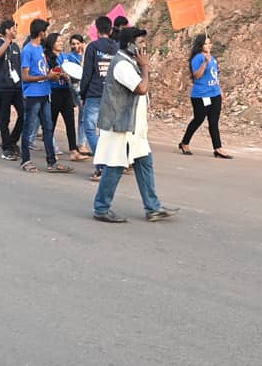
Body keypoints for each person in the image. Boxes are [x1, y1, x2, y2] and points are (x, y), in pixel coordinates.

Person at [92, 27, 172, 223]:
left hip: (134, 127)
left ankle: (153, 207)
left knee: (145, 162)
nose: (145, 46)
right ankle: (101, 207)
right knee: (115, 165)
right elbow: (141, 88)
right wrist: (145, 67)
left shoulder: (130, 62)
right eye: (141, 42)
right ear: (130, 45)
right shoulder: (122, 66)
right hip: (121, 126)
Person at [19, 19, 70, 173]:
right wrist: (47, 77)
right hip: (33, 95)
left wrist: (57, 74)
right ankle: (25, 160)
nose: (46, 34)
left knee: (48, 129)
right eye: (45, 31)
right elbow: (25, 77)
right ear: (41, 32)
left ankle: (51, 162)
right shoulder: (27, 50)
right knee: (28, 129)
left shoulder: (41, 49)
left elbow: (45, 70)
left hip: (45, 93)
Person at [178, 34, 232, 158]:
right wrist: (205, 64)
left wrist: (220, 91)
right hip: (201, 95)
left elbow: (215, 76)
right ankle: (185, 143)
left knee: (214, 122)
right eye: (206, 44)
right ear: (200, 45)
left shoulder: (212, 58)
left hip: (215, 94)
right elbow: (197, 76)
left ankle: (218, 148)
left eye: (210, 43)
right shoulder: (198, 58)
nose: (209, 46)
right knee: (198, 119)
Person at [80, 16, 119, 181]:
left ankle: (102, 164)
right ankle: (111, 162)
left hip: (95, 93)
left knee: (89, 128)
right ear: (110, 30)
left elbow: (87, 73)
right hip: (112, 93)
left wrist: (82, 93)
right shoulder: (117, 47)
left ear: (96, 30)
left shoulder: (93, 47)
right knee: (107, 130)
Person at [47, 33, 86, 161]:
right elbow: (47, 73)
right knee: (51, 122)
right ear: (52, 43)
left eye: (61, 41)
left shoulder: (66, 56)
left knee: (70, 122)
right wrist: (60, 73)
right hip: (54, 91)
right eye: (58, 41)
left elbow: (77, 67)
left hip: (66, 91)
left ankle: (74, 151)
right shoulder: (47, 57)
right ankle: (50, 151)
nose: (60, 43)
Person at [0, 19, 24, 161]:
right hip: (3, 86)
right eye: (13, 29)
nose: (15, 31)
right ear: (6, 30)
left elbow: (19, 66)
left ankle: (12, 141)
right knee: (4, 119)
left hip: (16, 86)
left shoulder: (16, 46)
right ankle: (6, 149)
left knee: (24, 114)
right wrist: (7, 41)